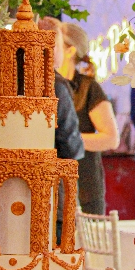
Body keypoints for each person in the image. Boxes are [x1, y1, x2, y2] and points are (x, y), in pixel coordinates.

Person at [60, 22, 120, 215]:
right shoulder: (43, 85)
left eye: (54, 42)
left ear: (70, 51)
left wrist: (68, 140)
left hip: (84, 184)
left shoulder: (88, 88)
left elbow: (111, 138)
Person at [38, 17, 84, 244]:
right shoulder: (55, 84)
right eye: (58, 45)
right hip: (52, 191)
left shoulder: (13, 79)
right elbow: (69, 142)